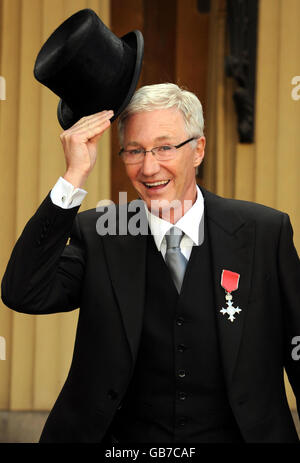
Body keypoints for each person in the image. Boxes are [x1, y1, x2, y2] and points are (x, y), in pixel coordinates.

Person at [1, 83, 300, 443]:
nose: (148, 167)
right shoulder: (100, 234)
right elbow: (23, 292)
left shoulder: (264, 232)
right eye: (134, 151)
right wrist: (73, 176)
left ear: (198, 150)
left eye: (164, 148)